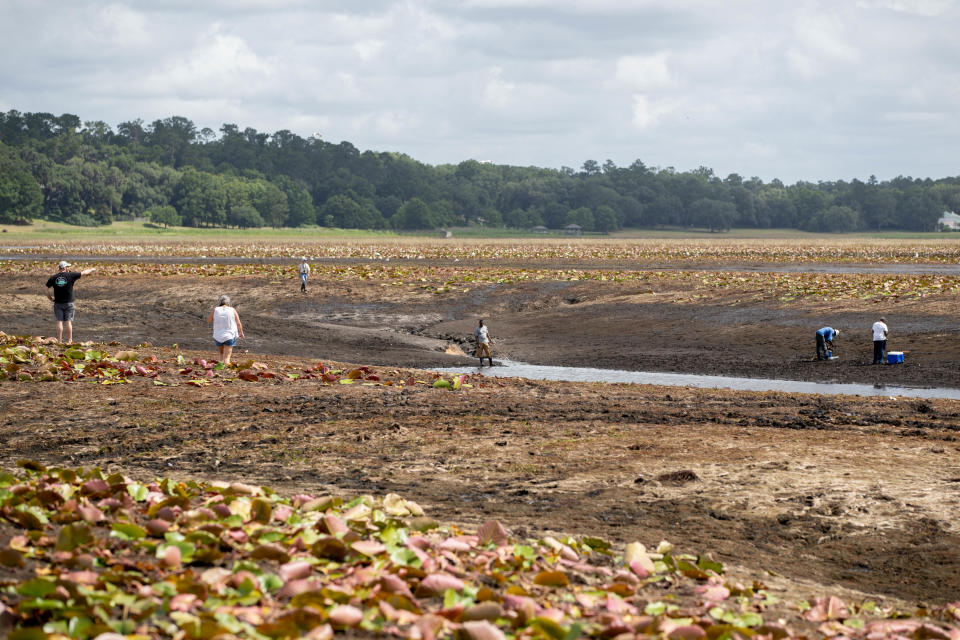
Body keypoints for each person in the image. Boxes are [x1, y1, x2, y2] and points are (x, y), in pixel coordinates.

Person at [44, 260, 96, 343]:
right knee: (68, 322)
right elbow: (84, 273)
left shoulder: (53, 277)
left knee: (59, 321)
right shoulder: (70, 276)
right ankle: (69, 340)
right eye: (67, 267)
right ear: (65, 268)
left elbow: (46, 288)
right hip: (69, 303)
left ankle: (60, 341)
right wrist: (92, 269)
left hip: (58, 303)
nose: (68, 268)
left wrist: (50, 298)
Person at [206, 295, 244, 365]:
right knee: (226, 358)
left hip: (217, 336)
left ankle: (220, 367)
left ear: (220, 302)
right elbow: (238, 323)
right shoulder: (232, 309)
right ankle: (225, 370)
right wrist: (241, 332)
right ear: (228, 302)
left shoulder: (215, 309)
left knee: (221, 353)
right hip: (229, 335)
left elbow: (208, 320)